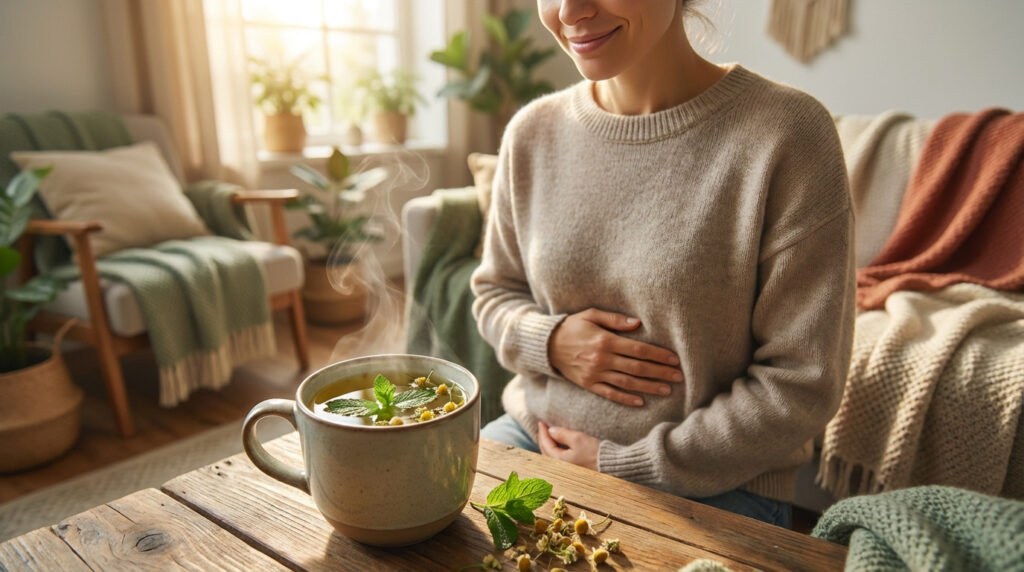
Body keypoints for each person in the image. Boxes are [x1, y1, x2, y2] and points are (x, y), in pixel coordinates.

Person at [471, 0, 855, 529]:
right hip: (532, 436)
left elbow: (801, 383)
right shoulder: (531, 133)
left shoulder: (788, 134)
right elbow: (494, 293)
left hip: (713, 487)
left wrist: (623, 463)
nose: (571, 11)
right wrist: (551, 342)